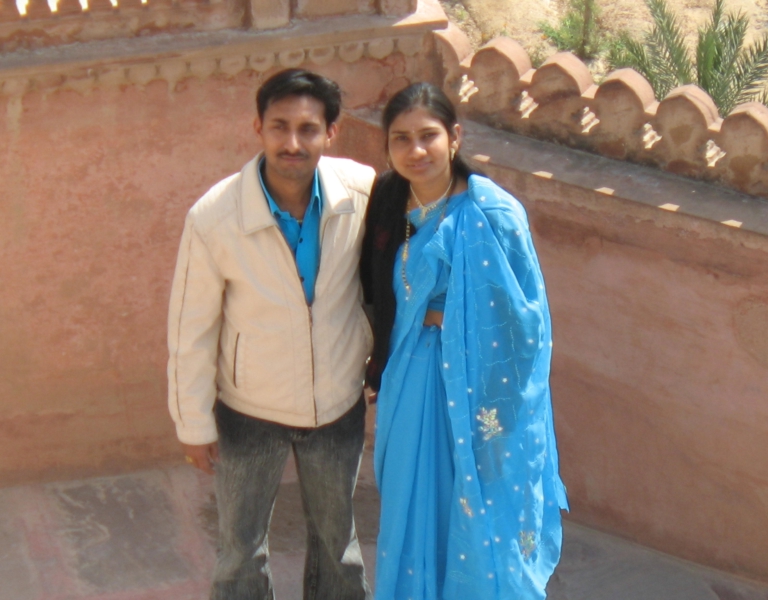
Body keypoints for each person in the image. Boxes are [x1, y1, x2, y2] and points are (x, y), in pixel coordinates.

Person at [167, 68, 375, 600]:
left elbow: (388, 281)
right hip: (247, 411)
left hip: (336, 407)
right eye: (279, 126)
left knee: (338, 546)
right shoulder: (216, 215)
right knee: (240, 550)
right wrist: (193, 421)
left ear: (331, 133)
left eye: (308, 128)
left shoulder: (360, 193)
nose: (292, 142)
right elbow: (191, 327)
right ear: (257, 127)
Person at [360, 82, 569, 600]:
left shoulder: (492, 213)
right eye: (401, 139)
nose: (416, 151)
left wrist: (448, 322)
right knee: (412, 503)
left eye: (428, 136)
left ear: (455, 137)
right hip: (410, 379)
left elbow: (527, 322)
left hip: (478, 392)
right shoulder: (389, 200)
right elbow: (373, 290)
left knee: (479, 511)